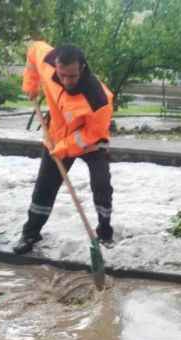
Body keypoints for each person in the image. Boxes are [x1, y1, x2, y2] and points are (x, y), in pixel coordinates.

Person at [12, 41, 115, 255]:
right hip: (57, 136)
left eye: (72, 76)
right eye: (62, 75)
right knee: (44, 186)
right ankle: (31, 233)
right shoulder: (49, 64)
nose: (66, 81)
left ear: (82, 68)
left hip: (91, 143)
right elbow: (33, 51)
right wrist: (31, 84)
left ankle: (105, 231)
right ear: (56, 66)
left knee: (102, 184)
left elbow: (91, 134)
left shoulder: (98, 99)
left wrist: (65, 148)